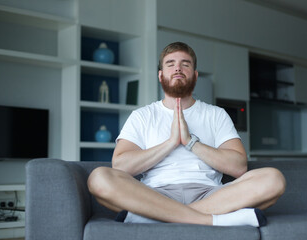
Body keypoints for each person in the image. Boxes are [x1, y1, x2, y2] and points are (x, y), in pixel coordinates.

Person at [88, 42, 286, 227]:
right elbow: (120, 166)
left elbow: (239, 167)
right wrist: (171, 142)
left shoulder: (216, 114)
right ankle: (214, 221)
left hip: (210, 195)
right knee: (99, 178)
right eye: (170, 64)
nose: (178, 69)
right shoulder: (142, 116)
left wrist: (191, 142)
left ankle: (154, 217)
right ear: (160, 75)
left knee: (273, 179)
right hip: (155, 194)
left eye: (185, 64)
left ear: (195, 75)